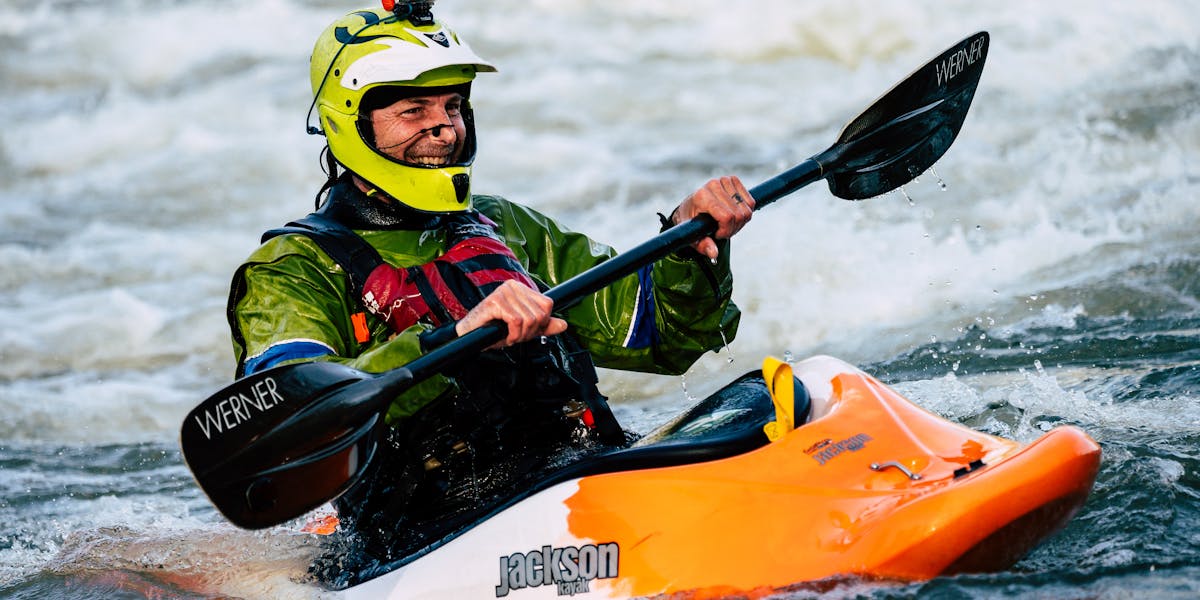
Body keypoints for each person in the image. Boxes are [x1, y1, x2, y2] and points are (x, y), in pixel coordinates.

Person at [226, 1, 754, 561]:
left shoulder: (503, 226)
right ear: (349, 122)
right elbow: (286, 423)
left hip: (586, 483)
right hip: (427, 542)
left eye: (453, 105)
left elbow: (660, 339)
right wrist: (449, 340)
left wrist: (689, 244)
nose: (443, 127)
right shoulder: (293, 269)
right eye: (412, 110)